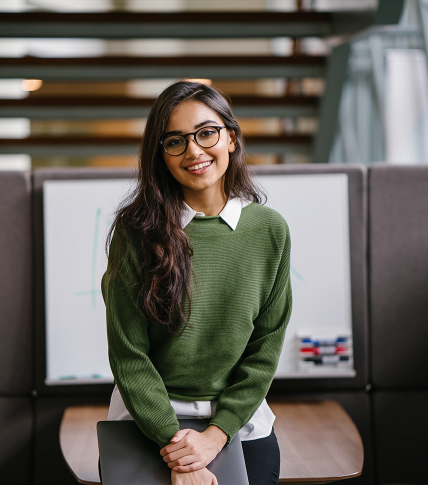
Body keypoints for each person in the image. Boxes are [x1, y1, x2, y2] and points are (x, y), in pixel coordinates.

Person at [102, 81, 292, 485]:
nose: (193, 150)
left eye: (206, 133)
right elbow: (129, 355)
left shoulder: (270, 230)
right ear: (161, 156)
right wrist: (181, 453)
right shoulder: (136, 232)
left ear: (232, 139)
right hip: (149, 419)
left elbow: (265, 350)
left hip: (237, 419)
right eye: (175, 141)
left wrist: (213, 437)